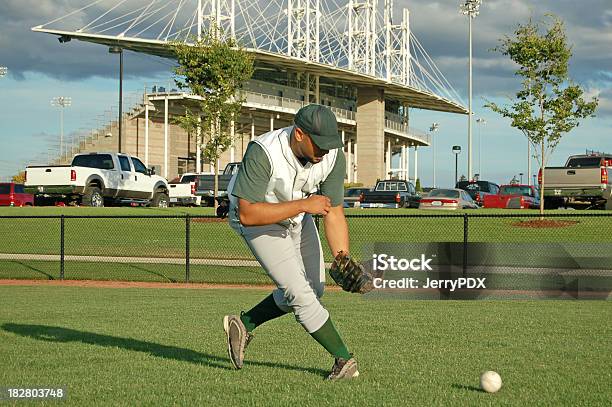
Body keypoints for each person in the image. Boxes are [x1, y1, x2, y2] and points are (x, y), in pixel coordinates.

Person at [223, 104, 358, 380]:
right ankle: (344, 360)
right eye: (318, 145)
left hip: (298, 215)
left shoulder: (331, 155)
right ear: (299, 134)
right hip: (258, 220)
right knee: (300, 293)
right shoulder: (264, 151)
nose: (324, 151)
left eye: (329, 145)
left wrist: (342, 258)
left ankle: (245, 324)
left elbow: (334, 212)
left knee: (314, 289)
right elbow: (248, 213)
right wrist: (304, 205)